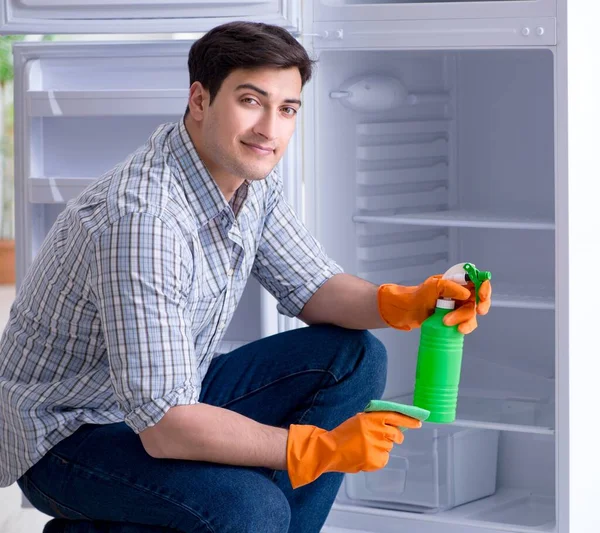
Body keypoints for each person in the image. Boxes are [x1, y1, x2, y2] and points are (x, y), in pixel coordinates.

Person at [0, 21, 491, 533]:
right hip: (68, 436)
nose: (270, 130)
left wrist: (408, 302)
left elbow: (315, 287)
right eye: (251, 101)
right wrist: (319, 448)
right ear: (199, 99)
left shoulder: (248, 179)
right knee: (250, 507)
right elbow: (165, 428)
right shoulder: (143, 221)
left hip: (170, 392)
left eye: (287, 109)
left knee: (355, 357)